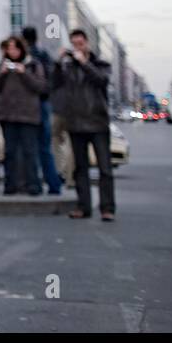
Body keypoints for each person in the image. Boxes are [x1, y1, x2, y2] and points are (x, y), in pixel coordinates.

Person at [50, 29, 115, 220]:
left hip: (98, 121)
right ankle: (83, 206)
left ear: (87, 44)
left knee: (104, 168)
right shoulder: (68, 68)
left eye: (81, 43)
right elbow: (53, 84)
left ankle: (107, 208)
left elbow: (101, 80)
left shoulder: (100, 64)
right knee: (80, 168)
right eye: (74, 44)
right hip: (76, 122)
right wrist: (57, 62)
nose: (77, 47)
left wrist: (84, 63)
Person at [0, 35, 46, 195]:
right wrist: (3, 73)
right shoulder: (2, 65)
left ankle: (33, 185)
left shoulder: (33, 64)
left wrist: (24, 73)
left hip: (28, 116)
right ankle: (10, 185)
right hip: (7, 115)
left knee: (30, 152)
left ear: (21, 49)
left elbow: (41, 87)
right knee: (9, 152)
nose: (12, 51)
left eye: (15, 48)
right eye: (9, 48)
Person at [22, 25, 62, 195]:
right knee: (45, 147)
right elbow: (52, 79)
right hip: (44, 103)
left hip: (28, 105)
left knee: (28, 147)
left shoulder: (26, 58)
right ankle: (54, 185)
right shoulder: (44, 55)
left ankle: (33, 184)